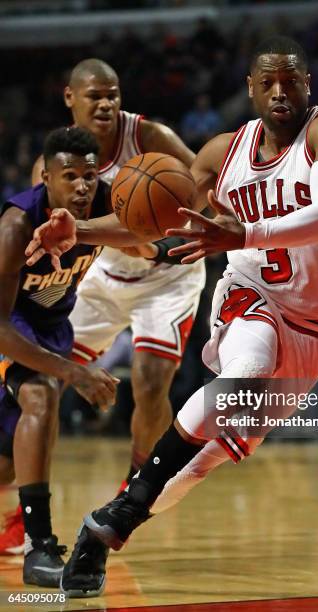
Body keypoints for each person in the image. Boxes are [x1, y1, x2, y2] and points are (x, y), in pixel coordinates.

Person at [25, 36, 318, 597]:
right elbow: (156, 220)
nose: (281, 92)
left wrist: (244, 230)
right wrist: (80, 229)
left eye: (292, 81)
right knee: (243, 373)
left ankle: (104, 530)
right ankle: (125, 507)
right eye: (268, 82)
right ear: (250, 89)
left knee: (206, 459)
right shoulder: (219, 155)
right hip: (250, 295)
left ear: (309, 84)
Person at [0, 58, 205, 555]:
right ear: (70, 99)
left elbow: (197, 182)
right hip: (99, 278)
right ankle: (23, 503)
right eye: (96, 96)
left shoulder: (150, 137)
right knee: (39, 389)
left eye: (114, 94)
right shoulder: (49, 171)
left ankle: (134, 492)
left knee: (151, 380)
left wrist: (169, 226)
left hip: (166, 277)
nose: (107, 104)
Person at [0, 126, 118, 586]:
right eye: (70, 176)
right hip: (10, 328)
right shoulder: (16, 226)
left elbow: (142, 230)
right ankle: (39, 547)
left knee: (11, 462)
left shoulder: (105, 202)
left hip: (50, 329)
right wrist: (76, 372)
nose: (83, 185)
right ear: (45, 178)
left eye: (90, 175)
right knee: (41, 396)